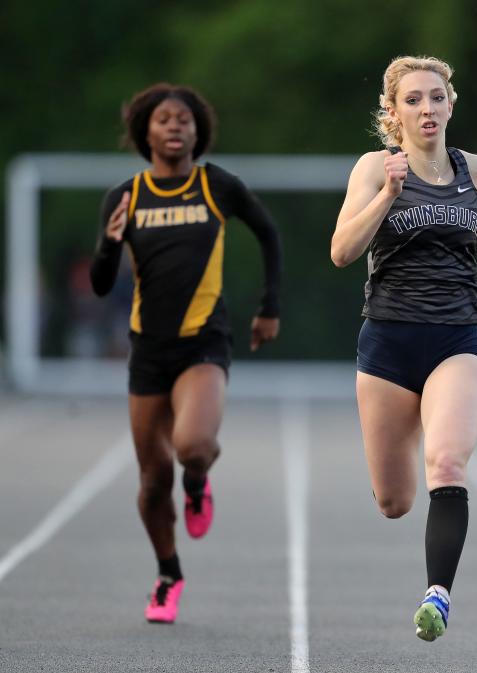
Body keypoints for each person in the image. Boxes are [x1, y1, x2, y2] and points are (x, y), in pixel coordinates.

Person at [331, 55, 477, 641]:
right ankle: (407, 440)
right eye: (412, 100)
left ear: (451, 103)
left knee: (448, 464)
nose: (426, 108)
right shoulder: (374, 167)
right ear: (393, 112)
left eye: (435, 97)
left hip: (456, 338)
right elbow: (341, 251)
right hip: (387, 343)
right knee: (393, 501)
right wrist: (386, 193)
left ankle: (437, 596)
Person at [90, 83, 282, 623]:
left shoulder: (216, 186)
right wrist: (108, 244)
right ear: (144, 131)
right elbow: (103, 285)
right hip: (148, 351)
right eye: (163, 119)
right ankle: (168, 575)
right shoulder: (125, 197)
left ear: (199, 131)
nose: (175, 126)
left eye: (184, 120)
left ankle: (198, 484)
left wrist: (268, 307)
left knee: (193, 446)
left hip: (204, 341)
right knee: (152, 482)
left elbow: (268, 234)